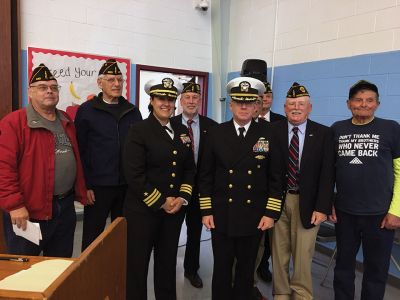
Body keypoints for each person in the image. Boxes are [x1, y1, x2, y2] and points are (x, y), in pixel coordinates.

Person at [0, 63, 88, 257]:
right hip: (28, 211)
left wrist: (81, 189)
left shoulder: (65, 119)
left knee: (58, 267)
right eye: (42, 87)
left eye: (53, 87)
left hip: (64, 208)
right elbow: (3, 168)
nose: (49, 91)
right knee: (25, 271)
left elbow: (75, 159)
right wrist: (14, 205)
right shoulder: (14, 123)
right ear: (30, 92)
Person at [199, 76, 274, 300]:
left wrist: (270, 213)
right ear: (230, 105)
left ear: (256, 106)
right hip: (222, 213)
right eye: (238, 101)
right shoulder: (215, 133)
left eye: (249, 102)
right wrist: (206, 211)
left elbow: (276, 178)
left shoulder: (269, 134)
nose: (243, 106)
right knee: (221, 269)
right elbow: (205, 176)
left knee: (245, 270)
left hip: (254, 215)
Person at [123, 75, 196, 300]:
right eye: (160, 98)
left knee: (166, 264)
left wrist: (182, 198)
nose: (166, 103)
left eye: (170, 98)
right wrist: (161, 201)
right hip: (143, 212)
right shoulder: (139, 131)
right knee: (137, 266)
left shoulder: (182, 131)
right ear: (152, 100)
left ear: (175, 101)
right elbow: (134, 175)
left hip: (173, 213)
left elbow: (189, 169)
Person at [330, 80, 400, 300]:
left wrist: (396, 210)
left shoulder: (391, 128)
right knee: (343, 268)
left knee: (376, 271)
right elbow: (329, 171)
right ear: (349, 104)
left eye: (369, 100)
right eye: (358, 100)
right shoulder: (337, 129)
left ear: (377, 104)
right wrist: (328, 202)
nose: (364, 104)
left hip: (380, 215)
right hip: (344, 213)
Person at [267, 82, 335, 300]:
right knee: (279, 252)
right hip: (277, 199)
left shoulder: (323, 134)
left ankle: (302, 295)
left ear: (310, 108)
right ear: (285, 108)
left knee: (303, 254)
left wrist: (323, 207)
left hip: (309, 203)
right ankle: (281, 293)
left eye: (301, 104)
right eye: (291, 104)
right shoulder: (271, 131)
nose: (296, 107)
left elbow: (327, 174)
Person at [75, 58, 142, 251]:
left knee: (123, 234)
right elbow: (80, 150)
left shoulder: (132, 111)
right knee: (92, 236)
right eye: (111, 79)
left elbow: (138, 149)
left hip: (126, 187)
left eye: (120, 80)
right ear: (100, 83)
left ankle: (118, 272)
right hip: (97, 187)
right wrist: (85, 186)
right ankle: (88, 274)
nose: (116, 84)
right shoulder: (87, 111)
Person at [171, 77, 217, 289]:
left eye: (195, 97)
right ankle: (167, 268)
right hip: (175, 191)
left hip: (200, 191)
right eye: (187, 97)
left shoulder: (211, 127)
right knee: (170, 232)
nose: (191, 101)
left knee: (195, 232)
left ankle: (191, 270)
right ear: (180, 100)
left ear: (200, 100)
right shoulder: (169, 125)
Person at [256, 81, 285, 284]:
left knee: (269, 237)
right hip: (253, 190)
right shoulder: (243, 120)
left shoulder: (281, 122)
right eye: (262, 96)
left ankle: (263, 266)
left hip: (273, 188)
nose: (265, 99)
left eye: (269, 96)